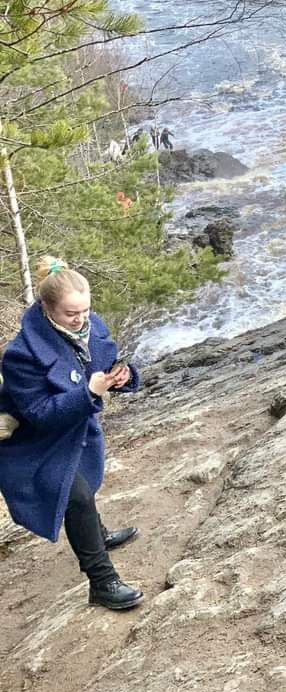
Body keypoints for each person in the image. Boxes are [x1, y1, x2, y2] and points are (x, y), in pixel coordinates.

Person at [0, 257, 143, 610]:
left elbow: (102, 365)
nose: (81, 319)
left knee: (83, 487)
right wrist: (90, 393)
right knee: (74, 495)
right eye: (70, 313)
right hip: (33, 442)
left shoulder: (89, 325)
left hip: (75, 425)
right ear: (46, 308)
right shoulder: (21, 355)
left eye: (85, 310)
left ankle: (99, 534)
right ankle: (102, 581)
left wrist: (122, 378)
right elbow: (40, 416)